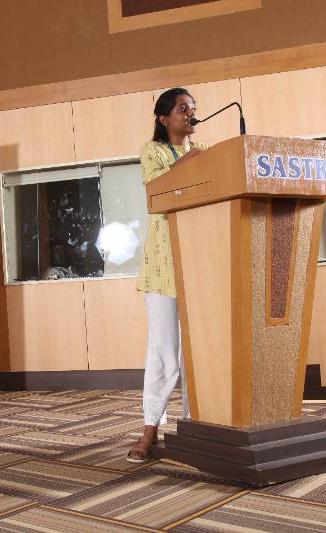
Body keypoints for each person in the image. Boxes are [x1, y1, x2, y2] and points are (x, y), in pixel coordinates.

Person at [127, 87, 206, 463]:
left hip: (201, 265)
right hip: (163, 267)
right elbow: (156, 193)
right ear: (164, 118)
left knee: (199, 355)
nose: (190, 113)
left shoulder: (204, 152)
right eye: (182, 108)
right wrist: (193, 162)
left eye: (192, 108)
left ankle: (195, 427)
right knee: (164, 355)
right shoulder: (153, 151)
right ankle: (150, 430)